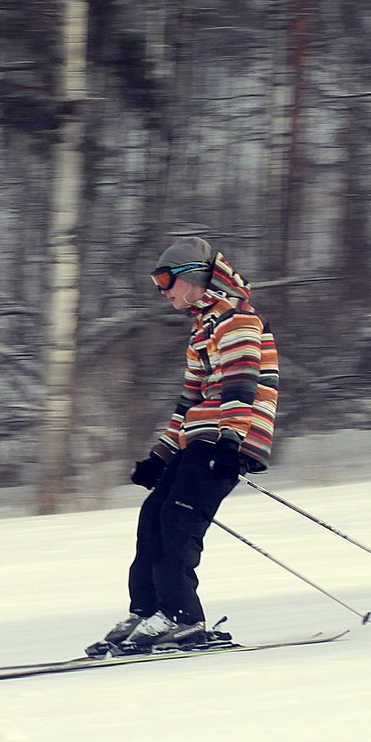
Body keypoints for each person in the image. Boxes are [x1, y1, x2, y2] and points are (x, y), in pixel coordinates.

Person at [88, 236, 278, 655]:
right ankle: (148, 611)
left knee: (178, 523)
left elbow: (241, 387)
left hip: (228, 439)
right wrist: (160, 456)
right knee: (153, 517)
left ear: (195, 276)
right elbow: (188, 403)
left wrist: (230, 443)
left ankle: (183, 618)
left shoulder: (239, 323)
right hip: (201, 439)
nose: (161, 290)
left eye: (165, 279)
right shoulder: (202, 331)